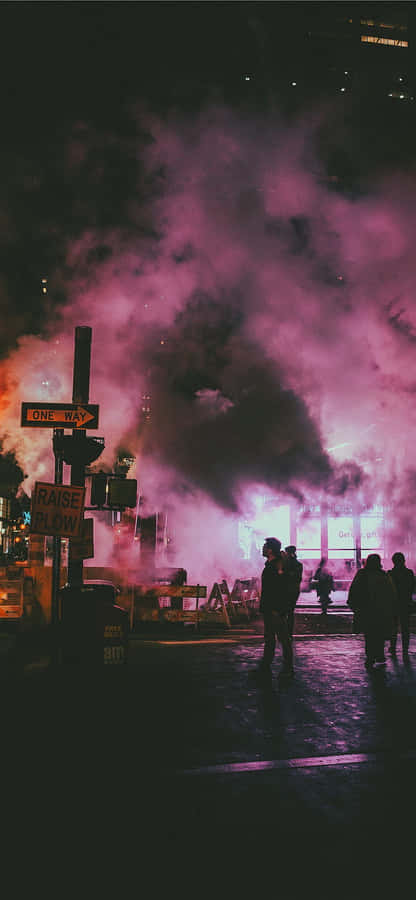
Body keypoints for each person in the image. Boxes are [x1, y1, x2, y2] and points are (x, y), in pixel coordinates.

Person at [253, 537, 294, 682]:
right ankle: (266, 667)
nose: (263, 549)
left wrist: (278, 608)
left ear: (270, 549)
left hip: (275, 609)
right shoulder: (273, 564)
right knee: (271, 639)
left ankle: (287, 668)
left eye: (265, 546)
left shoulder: (277, 565)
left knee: (282, 638)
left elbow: (281, 589)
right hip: (271, 609)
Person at [347, 553, 396, 670]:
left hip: (366, 609)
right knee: (379, 633)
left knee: (369, 635)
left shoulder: (362, 574)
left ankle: (370, 657)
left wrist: (353, 604)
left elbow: (354, 589)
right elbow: (391, 593)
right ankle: (379, 655)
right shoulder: (383, 575)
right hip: (380, 610)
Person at [388, 552, 414, 660]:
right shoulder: (409, 573)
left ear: (393, 561)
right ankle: (405, 649)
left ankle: (393, 647)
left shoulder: (390, 573)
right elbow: (413, 587)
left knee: (393, 626)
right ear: (404, 560)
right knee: (405, 627)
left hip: (393, 603)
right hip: (405, 602)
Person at [285, 545, 303, 638]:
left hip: (288, 590)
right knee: (290, 612)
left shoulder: (287, 564)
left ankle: (286, 631)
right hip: (294, 590)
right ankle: (289, 632)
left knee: (285, 612)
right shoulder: (298, 564)